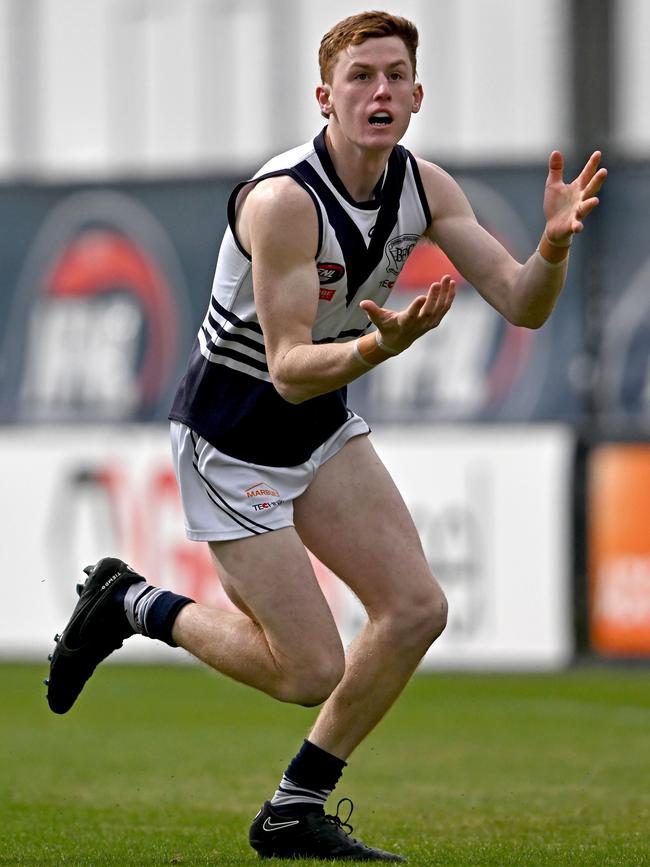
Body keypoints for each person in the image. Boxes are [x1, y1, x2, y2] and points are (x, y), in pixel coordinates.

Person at [45, 10, 607, 862]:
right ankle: (132, 602)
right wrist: (383, 343)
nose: (378, 91)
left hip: (316, 421)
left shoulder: (426, 187)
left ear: (418, 95)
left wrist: (554, 248)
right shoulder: (284, 201)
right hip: (232, 433)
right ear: (325, 96)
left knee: (417, 608)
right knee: (307, 668)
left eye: (394, 77)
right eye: (360, 77)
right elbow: (286, 366)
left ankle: (291, 811)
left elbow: (523, 302)